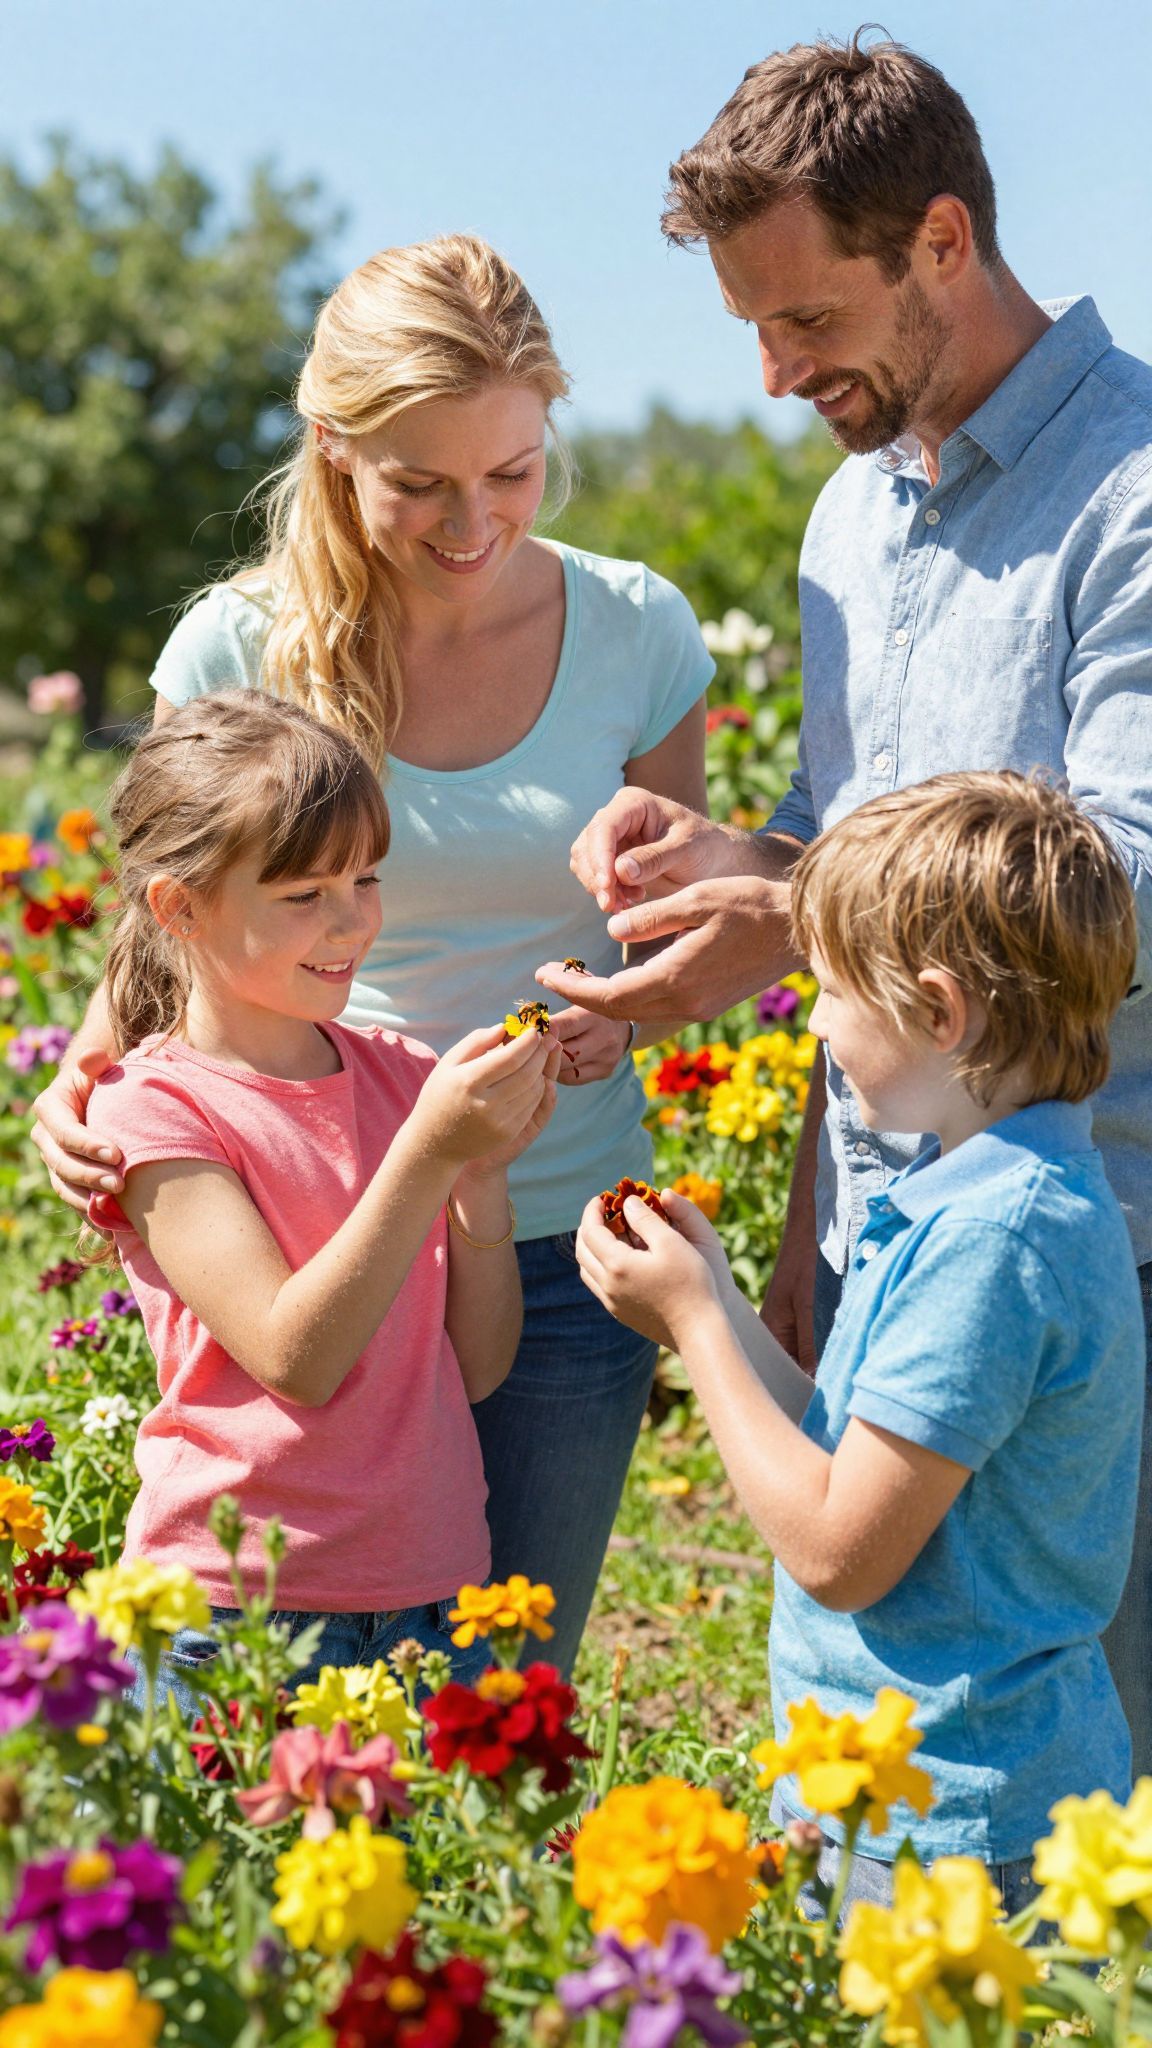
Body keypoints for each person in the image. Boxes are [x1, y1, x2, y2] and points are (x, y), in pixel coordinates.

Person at [539, 33, 1152, 1746]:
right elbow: (846, 845)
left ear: (940, 243)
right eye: (749, 322)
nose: (767, 370)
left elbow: (1126, 888)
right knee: (904, 1764)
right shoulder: (845, 523)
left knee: (1090, 1784)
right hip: (883, 1240)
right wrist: (725, 885)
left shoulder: (1132, 493)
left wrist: (790, 910)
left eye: (803, 319)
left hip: (1096, 1240)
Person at [31, 234, 712, 1675]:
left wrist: (631, 1013)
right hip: (300, 1235)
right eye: (420, 483)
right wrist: (77, 1085)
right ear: (335, 452)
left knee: (498, 1713)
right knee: (280, 1683)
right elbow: (167, 925)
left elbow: (674, 937)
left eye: (513, 473)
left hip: (556, 1233)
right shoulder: (238, 643)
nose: (476, 522)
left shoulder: (638, 630)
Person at [575, 772, 1144, 1911]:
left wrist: (694, 1326)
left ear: (941, 1013)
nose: (818, 1023)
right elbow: (852, 1453)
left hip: (947, 1825)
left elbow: (841, 1547)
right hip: (923, 1788)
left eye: (832, 991)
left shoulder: (996, 1243)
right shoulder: (992, 1191)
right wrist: (726, 1300)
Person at [84, 690, 559, 1716]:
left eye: (366, 878)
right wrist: (433, 1153)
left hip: (435, 1601)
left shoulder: (400, 1075)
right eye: (303, 893)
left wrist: (479, 1179)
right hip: (232, 1610)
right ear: (182, 907)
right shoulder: (155, 1107)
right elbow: (297, 1355)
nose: (351, 921)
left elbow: (476, 1367)